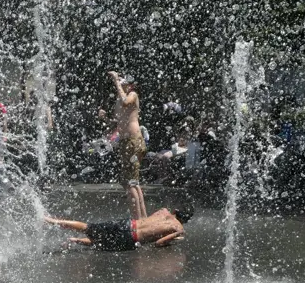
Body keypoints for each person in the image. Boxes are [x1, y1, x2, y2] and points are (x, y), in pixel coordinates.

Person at [44, 207, 193, 251]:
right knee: (99, 243)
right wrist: (176, 236)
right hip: (132, 238)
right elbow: (159, 243)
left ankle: (52, 221)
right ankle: (75, 240)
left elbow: (149, 221)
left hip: (128, 224)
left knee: (88, 227)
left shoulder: (164, 211)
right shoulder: (177, 228)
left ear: (175, 211)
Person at [108, 71, 147, 219]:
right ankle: (142, 219)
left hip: (133, 141)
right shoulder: (120, 99)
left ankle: (138, 221)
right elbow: (120, 121)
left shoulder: (133, 95)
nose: (120, 82)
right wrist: (105, 118)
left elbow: (125, 102)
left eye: (123, 81)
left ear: (130, 85)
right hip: (126, 142)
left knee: (130, 182)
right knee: (132, 183)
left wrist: (116, 81)